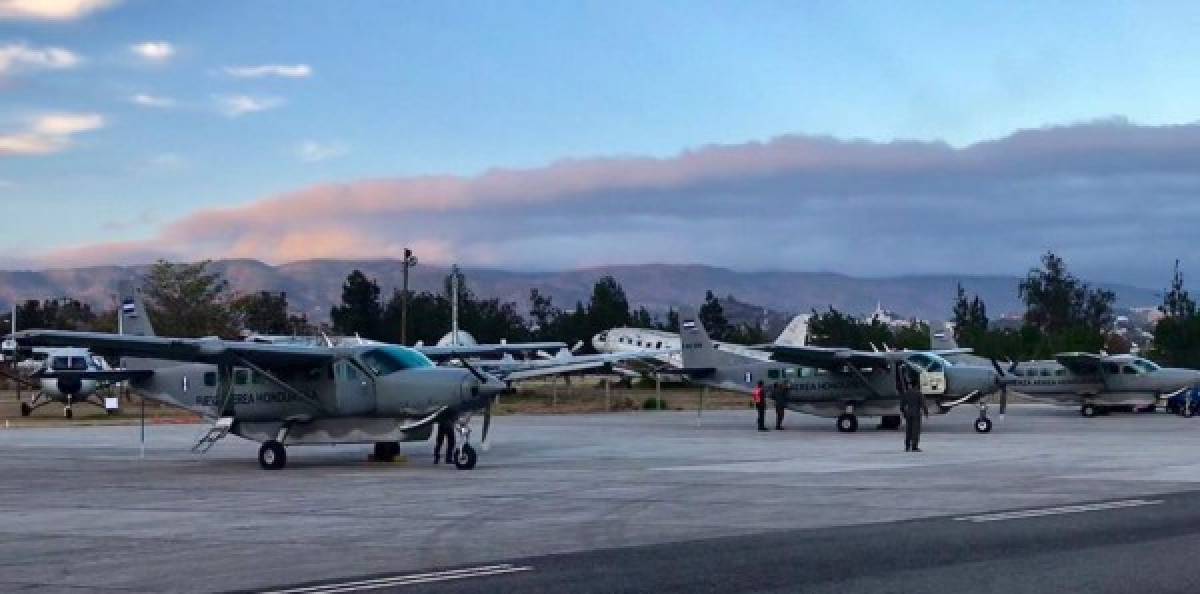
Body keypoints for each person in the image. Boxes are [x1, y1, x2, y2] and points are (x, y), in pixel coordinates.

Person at [900, 367, 929, 452]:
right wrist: (926, 413)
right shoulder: (919, 393)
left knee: (908, 430)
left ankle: (907, 446)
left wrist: (904, 413)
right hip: (916, 413)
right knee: (915, 431)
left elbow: (902, 405)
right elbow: (923, 404)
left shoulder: (906, 393)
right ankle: (914, 446)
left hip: (908, 413)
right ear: (917, 385)